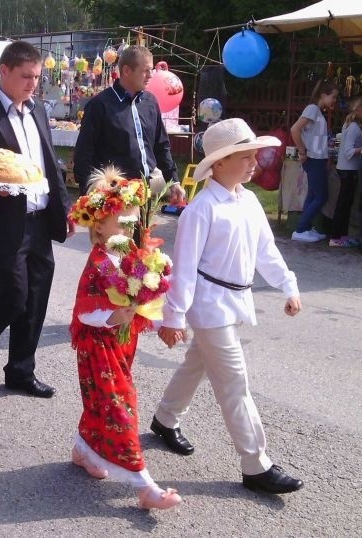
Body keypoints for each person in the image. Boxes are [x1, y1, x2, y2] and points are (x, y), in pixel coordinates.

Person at [152, 118, 305, 495]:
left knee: (197, 363)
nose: (255, 161)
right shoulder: (200, 210)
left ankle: (165, 418)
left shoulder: (248, 200)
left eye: (254, 154)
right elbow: (184, 270)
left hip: (233, 300)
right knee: (235, 382)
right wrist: (172, 317)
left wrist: (288, 285)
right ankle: (256, 464)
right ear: (218, 163)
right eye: (245, 155)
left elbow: (266, 252)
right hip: (208, 307)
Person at [0, 41, 73, 398]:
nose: (32, 83)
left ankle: (21, 371)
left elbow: (51, 165)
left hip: (39, 219)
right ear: (3, 72)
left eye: (36, 76)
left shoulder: (37, 112)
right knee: (14, 297)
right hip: (1, 224)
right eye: (25, 76)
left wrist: (64, 210)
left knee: (36, 299)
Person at [69, 171, 182, 510]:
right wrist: (110, 317)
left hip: (122, 343)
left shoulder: (131, 254)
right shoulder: (100, 262)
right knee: (120, 405)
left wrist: (164, 318)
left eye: (132, 224)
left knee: (102, 401)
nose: (128, 231)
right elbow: (84, 309)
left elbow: (144, 296)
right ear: (99, 225)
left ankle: (82, 449)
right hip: (98, 346)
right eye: (121, 223)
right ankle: (144, 485)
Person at [74, 45, 183, 199]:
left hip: (144, 190)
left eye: (151, 70)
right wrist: (88, 195)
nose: (150, 75)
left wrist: (174, 181)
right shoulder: (100, 105)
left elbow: (161, 145)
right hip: (112, 194)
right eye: (145, 70)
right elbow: (84, 153)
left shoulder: (150, 102)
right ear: (126, 71)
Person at [290, 80, 339, 242]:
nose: (334, 101)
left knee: (313, 195)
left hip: (317, 159)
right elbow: (295, 129)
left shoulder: (317, 111)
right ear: (323, 95)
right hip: (314, 159)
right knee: (321, 196)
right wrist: (303, 151)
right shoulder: (312, 109)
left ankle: (304, 228)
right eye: (333, 97)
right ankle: (300, 230)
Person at [330, 94, 362, 247]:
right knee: (344, 204)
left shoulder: (348, 125)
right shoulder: (354, 128)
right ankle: (336, 237)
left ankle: (340, 236)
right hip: (348, 170)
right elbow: (349, 152)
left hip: (345, 169)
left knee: (345, 203)